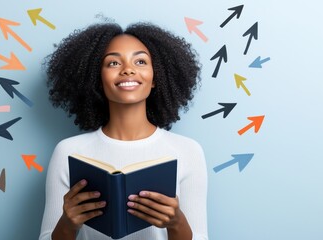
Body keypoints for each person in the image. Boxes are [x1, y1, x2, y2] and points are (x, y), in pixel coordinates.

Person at [39, 22, 208, 240]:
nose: (128, 69)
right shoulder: (68, 151)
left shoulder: (188, 150)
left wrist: (176, 223)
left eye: (140, 61)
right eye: (113, 63)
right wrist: (68, 223)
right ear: (97, 79)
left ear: (156, 77)